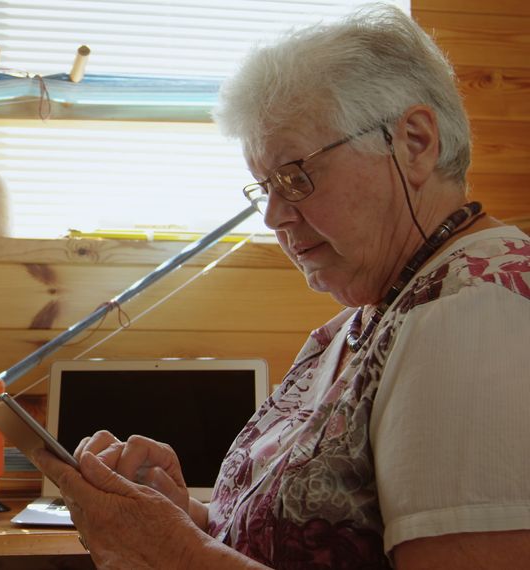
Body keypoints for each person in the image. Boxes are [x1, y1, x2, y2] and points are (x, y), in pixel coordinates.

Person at [32, 4, 530, 569]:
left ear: (414, 142)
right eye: (263, 186)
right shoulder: (365, 318)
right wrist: (181, 515)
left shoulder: (476, 315)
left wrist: (171, 551)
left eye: (295, 176)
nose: (272, 216)